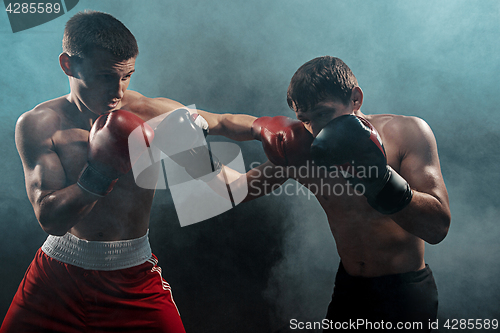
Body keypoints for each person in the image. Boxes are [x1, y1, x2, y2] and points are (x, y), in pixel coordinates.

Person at [1, 10, 255, 333]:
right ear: (68, 65)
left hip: (131, 276)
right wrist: (100, 173)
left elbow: (223, 122)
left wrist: (267, 129)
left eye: (127, 76)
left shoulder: (147, 112)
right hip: (56, 277)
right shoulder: (38, 125)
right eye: (106, 76)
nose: (118, 91)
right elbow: (50, 218)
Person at [212, 56, 451, 332]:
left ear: (355, 98)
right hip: (350, 289)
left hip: (405, 292)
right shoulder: (303, 148)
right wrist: (185, 147)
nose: (316, 130)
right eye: (306, 119)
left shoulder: (406, 132)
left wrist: (381, 179)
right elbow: (235, 191)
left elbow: (438, 228)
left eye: (324, 114)